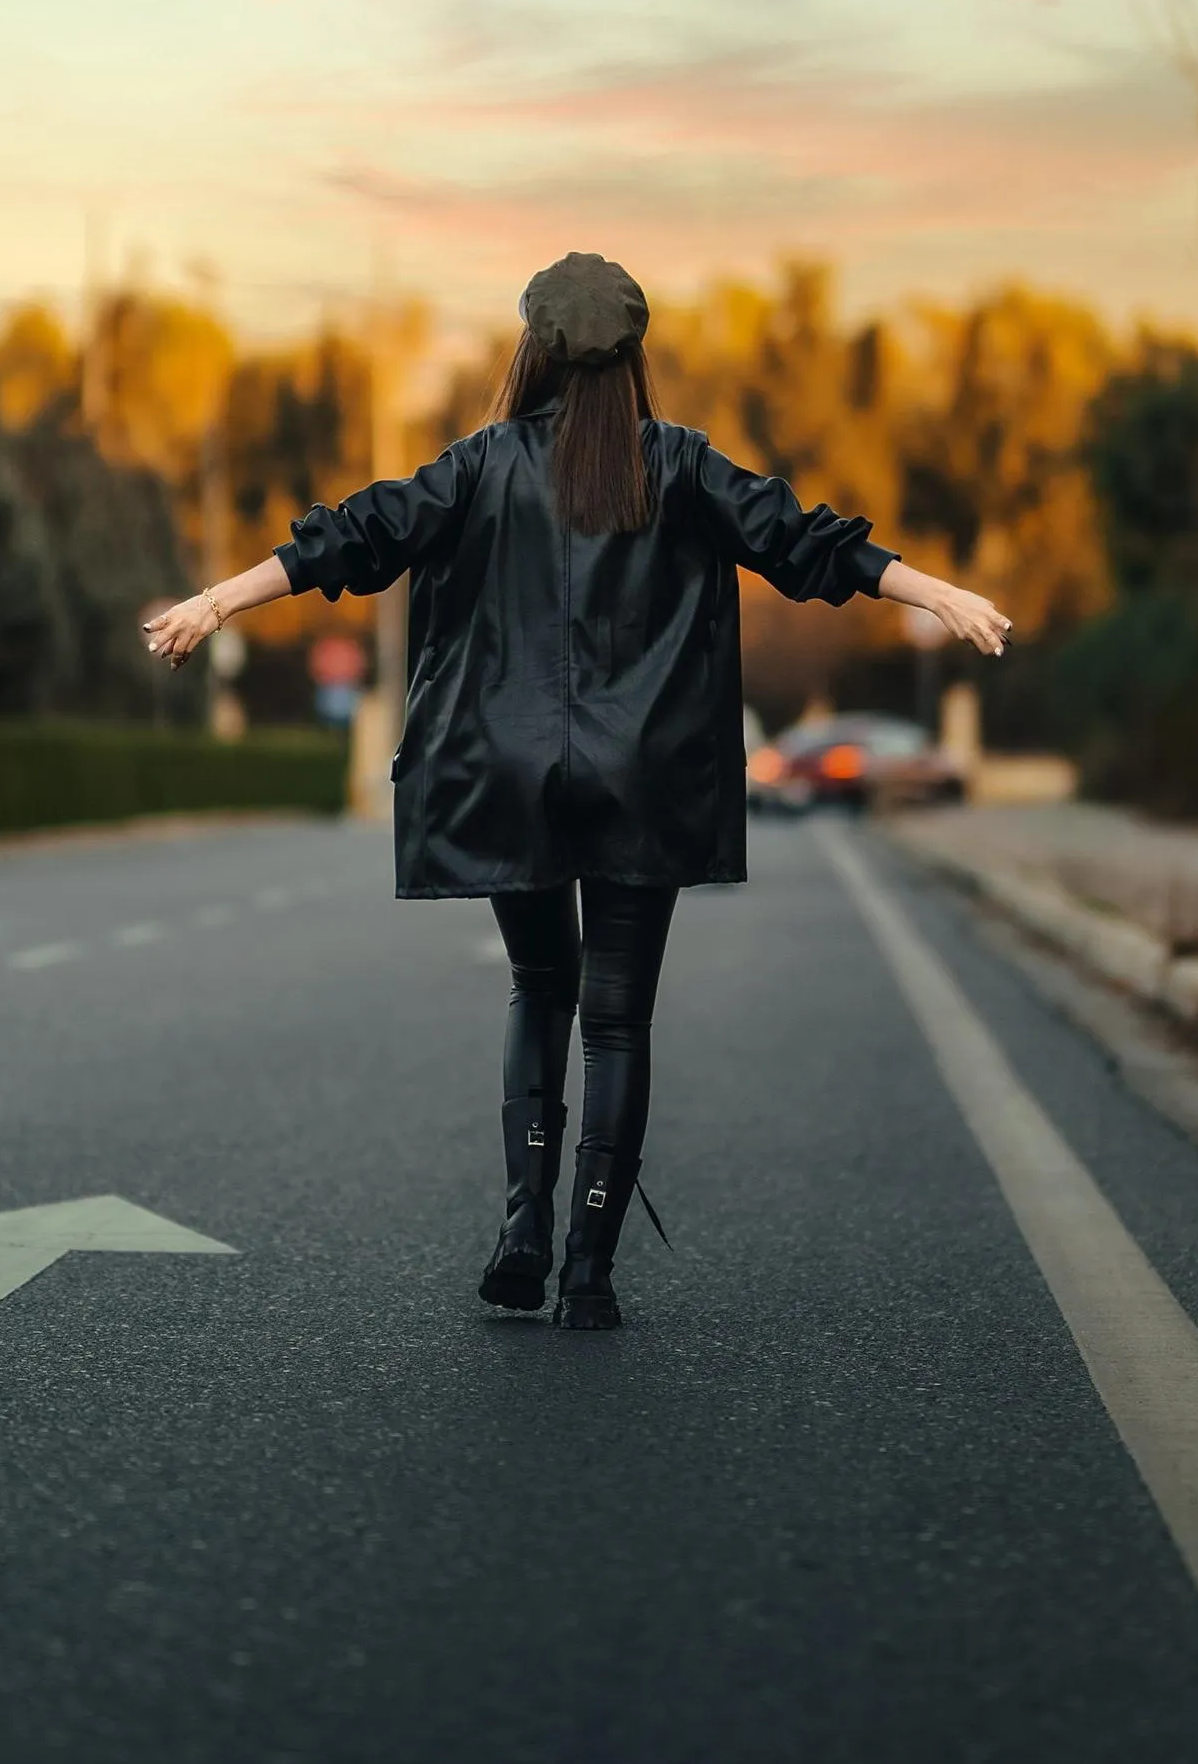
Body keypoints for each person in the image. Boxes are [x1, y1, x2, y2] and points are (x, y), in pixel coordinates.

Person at [143, 252, 1010, 1332]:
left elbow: (356, 534)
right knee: (616, 1018)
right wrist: (940, 592)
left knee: (538, 988)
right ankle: (590, 1268)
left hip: (506, 774)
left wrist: (216, 601)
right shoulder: (681, 467)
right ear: (633, 358)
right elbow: (807, 544)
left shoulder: (482, 462)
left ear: (534, 350)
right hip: (645, 777)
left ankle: (522, 1230)